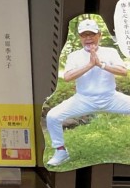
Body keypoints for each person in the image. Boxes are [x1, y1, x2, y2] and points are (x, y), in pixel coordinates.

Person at [46, 18, 130, 166]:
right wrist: (90, 64)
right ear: (80, 37)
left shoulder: (110, 52)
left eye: (92, 34)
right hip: (83, 99)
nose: (88, 38)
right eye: (84, 35)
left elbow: (123, 71)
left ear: (99, 35)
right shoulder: (74, 56)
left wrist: (101, 64)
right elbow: (68, 77)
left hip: (110, 97)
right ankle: (61, 152)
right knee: (52, 116)